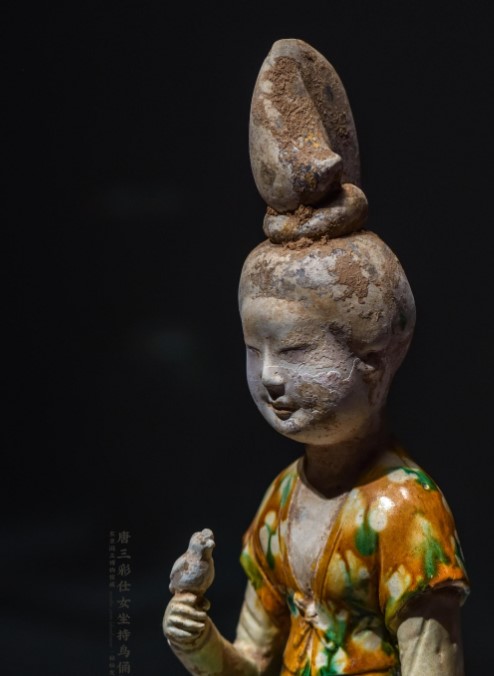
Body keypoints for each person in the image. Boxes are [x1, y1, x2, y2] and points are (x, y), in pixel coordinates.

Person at [163, 39, 469, 675]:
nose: (271, 377)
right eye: (255, 351)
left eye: (299, 350)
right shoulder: (282, 501)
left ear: (374, 362)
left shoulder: (404, 513)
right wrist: (198, 642)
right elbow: (252, 663)